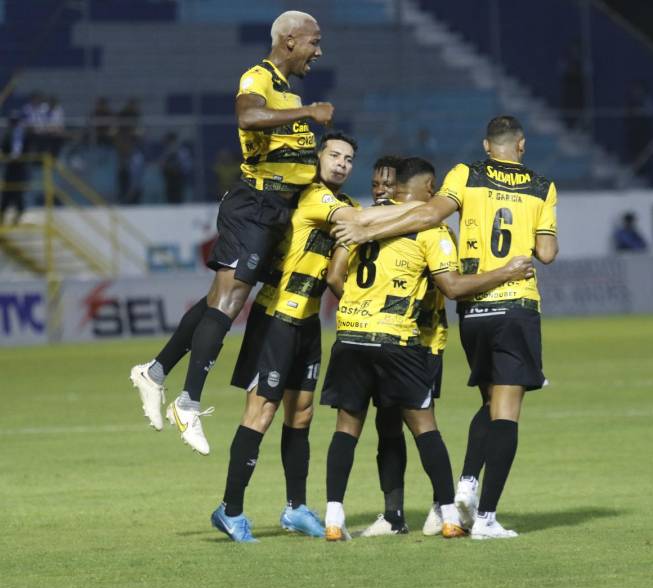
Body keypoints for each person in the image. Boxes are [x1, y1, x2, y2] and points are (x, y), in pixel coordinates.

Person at [332, 116, 559, 539]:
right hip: (512, 301)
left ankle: (464, 485)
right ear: (522, 145)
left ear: (487, 145)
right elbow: (546, 252)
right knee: (505, 410)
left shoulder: (465, 174)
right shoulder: (543, 186)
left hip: (472, 313)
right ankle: (484, 516)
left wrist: (367, 223)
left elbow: (429, 214)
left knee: (488, 399)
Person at [129, 10, 334, 455]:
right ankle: (187, 401)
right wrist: (308, 111)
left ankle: (156, 372)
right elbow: (247, 117)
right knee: (229, 302)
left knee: (215, 301)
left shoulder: (286, 91)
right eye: (314, 42)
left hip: (277, 211)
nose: (319, 51)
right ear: (290, 40)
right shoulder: (258, 78)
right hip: (255, 206)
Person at [209, 134, 425, 542]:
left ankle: (295, 508)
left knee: (302, 414)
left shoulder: (347, 207)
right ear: (318, 158)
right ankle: (230, 509)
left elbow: (352, 244)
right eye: (334, 155)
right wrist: (423, 208)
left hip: (307, 322)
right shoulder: (312, 196)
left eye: (348, 159)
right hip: (276, 318)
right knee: (261, 413)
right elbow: (358, 226)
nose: (342, 164)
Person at [1, 112, 31, 226]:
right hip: (10, 170)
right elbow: (4, 149)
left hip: (20, 170)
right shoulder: (8, 136)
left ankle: (17, 217)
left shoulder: (24, 135)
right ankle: (2, 218)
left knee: (18, 194)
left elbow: (26, 149)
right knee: (7, 195)